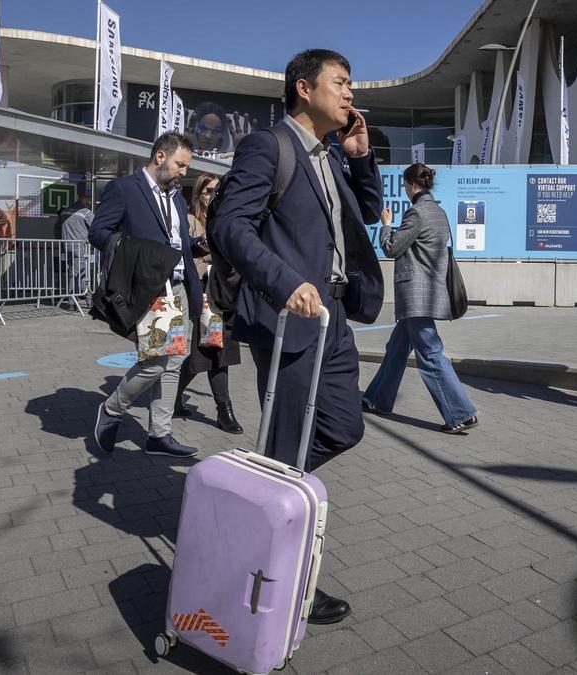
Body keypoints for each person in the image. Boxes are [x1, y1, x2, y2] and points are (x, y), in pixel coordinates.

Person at [211, 48, 384, 626]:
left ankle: (255, 497)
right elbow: (228, 225)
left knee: (343, 426)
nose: (350, 93)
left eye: (351, 84)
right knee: (288, 453)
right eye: (341, 82)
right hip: (290, 318)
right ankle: (276, 580)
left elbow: (368, 217)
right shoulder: (270, 146)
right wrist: (284, 283)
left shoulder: (329, 154)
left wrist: (360, 159)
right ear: (304, 89)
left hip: (332, 314)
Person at [88, 132, 204, 458]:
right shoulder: (125, 190)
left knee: (174, 362)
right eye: (180, 164)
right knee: (155, 363)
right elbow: (98, 233)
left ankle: (159, 435)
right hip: (153, 289)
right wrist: (143, 255)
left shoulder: (177, 199)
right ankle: (112, 410)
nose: (183, 171)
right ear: (160, 157)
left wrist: (199, 246)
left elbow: (176, 245)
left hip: (179, 287)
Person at [362, 163, 478, 433]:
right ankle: (376, 399)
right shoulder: (439, 212)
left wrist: (386, 225)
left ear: (411, 185)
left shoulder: (417, 214)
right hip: (430, 291)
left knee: (430, 353)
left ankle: (460, 413)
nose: (404, 190)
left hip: (417, 296)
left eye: (404, 185)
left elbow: (391, 248)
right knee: (397, 349)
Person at [173, 173, 243, 434]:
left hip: (225, 294)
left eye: (216, 190)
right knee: (215, 351)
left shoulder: (226, 219)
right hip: (205, 294)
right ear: (198, 193)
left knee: (207, 352)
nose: (212, 195)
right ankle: (224, 410)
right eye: (207, 190)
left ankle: (175, 395)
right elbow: (189, 261)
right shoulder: (192, 222)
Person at [60, 194, 94, 294]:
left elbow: (58, 228)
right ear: (86, 200)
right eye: (89, 200)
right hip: (79, 246)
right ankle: (88, 299)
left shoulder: (65, 211)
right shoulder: (86, 212)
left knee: (73, 271)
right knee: (81, 273)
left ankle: (73, 299)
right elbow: (96, 227)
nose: (90, 203)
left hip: (66, 245)